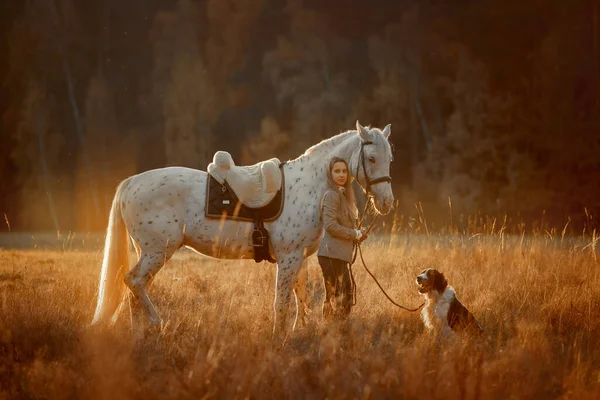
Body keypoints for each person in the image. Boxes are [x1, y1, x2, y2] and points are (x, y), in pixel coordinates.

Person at [318, 156, 368, 320]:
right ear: (330, 174)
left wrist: (358, 234)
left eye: (344, 171)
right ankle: (331, 335)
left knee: (344, 299)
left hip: (339, 255)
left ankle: (337, 334)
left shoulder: (344, 196)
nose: (341, 174)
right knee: (338, 299)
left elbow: (343, 225)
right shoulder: (331, 195)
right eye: (337, 171)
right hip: (331, 254)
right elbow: (330, 226)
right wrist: (354, 234)